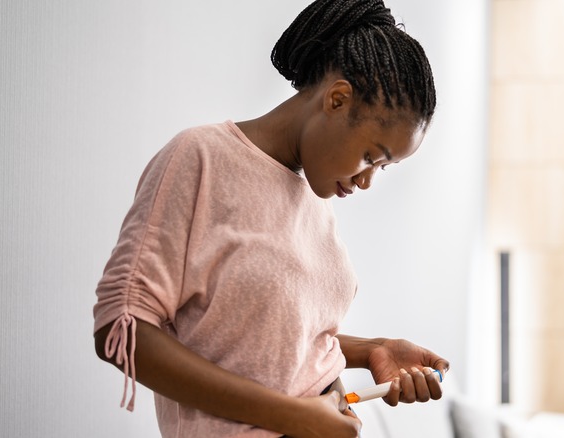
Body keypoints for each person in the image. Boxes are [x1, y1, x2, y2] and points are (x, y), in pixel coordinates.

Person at [93, 0, 449, 436]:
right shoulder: (200, 159)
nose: (368, 180)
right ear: (337, 99)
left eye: (383, 168)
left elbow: (262, 340)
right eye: (371, 156)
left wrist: (372, 349)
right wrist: (290, 416)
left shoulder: (316, 200)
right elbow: (121, 327)